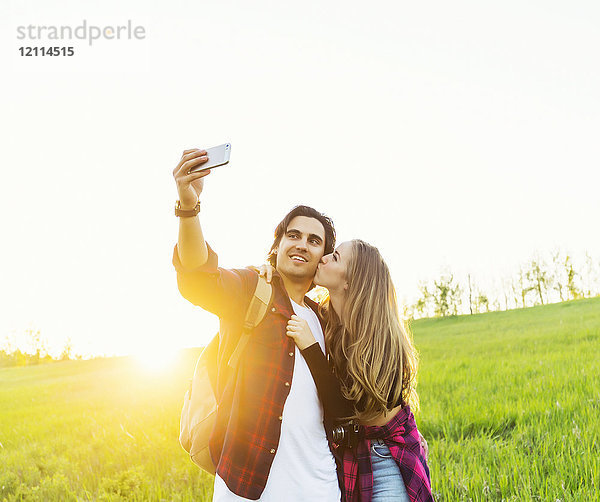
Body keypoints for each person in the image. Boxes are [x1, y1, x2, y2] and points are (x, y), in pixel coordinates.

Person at [171, 148, 342, 501]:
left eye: (314, 240)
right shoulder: (253, 289)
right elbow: (198, 276)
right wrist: (189, 207)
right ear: (277, 245)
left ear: (322, 257)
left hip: (320, 486)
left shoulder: (326, 319)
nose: (302, 245)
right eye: (293, 235)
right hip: (248, 488)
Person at [261, 239, 434, 502]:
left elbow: (346, 409)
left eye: (336, 257)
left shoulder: (381, 338)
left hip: (385, 457)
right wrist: (269, 274)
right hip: (350, 455)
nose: (324, 258)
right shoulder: (325, 319)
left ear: (349, 282)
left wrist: (310, 348)